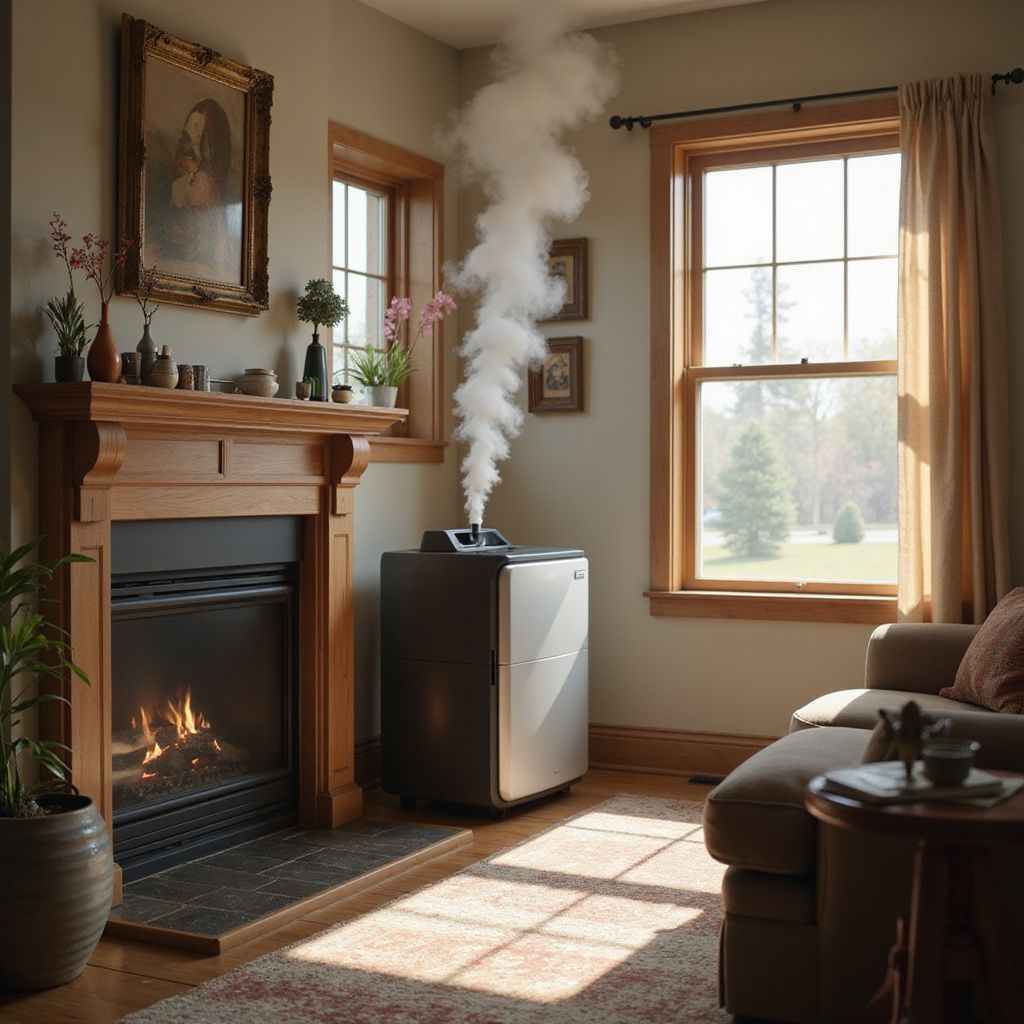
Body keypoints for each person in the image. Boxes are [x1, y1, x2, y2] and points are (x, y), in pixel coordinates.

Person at [165, 98, 232, 272]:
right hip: (188, 192)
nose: (192, 130)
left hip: (203, 244)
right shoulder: (185, 154)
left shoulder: (207, 179)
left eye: (197, 127)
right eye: (190, 124)